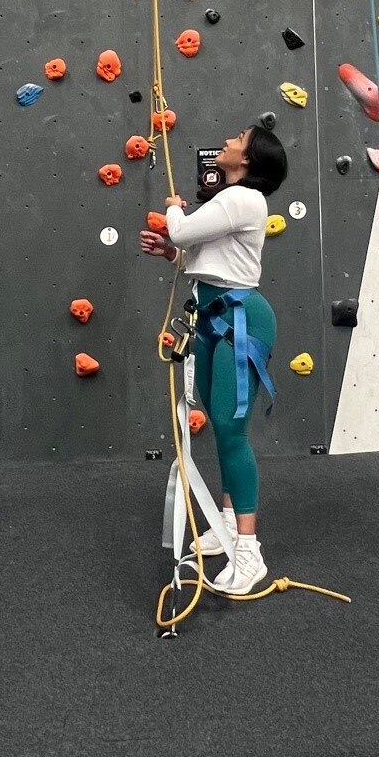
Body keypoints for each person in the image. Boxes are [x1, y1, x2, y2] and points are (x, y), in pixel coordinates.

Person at [140, 122, 287, 596]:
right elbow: (204, 260)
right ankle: (226, 522)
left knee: (230, 428)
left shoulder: (242, 198)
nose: (227, 141)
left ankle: (249, 550)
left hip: (240, 320)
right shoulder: (231, 200)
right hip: (212, 315)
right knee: (224, 427)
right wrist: (171, 253)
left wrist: (172, 209)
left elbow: (183, 231)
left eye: (238, 140)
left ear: (248, 160)